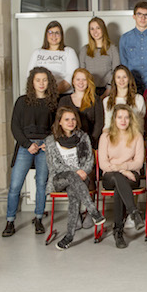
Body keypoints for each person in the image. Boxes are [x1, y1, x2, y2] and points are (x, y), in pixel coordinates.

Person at [2, 67, 58, 238]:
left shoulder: (53, 102)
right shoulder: (22, 101)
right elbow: (15, 126)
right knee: (15, 185)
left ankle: (39, 218)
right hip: (25, 146)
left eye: (44, 80)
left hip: (44, 147)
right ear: (32, 82)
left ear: (49, 82)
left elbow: (56, 127)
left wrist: (48, 143)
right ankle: (10, 221)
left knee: (41, 184)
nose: (41, 83)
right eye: (37, 80)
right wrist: (27, 144)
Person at [45, 106, 106, 250]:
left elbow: (89, 160)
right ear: (59, 122)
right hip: (59, 179)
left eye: (73, 119)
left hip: (80, 178)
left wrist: (83, 171)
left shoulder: (83, 137)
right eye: (66, 119)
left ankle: (69, 236)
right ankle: (93, 211)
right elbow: (54, 165)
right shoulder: (51, 140)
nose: (70, 122)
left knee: (73, 193)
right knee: (72, 176)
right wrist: (76, 171)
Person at [98, 104, 145, 248]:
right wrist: (122, 170)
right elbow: (103, 164)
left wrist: (121, 168)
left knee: (120, 186)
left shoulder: (137, 136)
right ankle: (133, 211)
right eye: (120, 117)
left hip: (131, 176)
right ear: (114, 119)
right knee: (118, 178)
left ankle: (118, 230)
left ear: (131, 119)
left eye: (126, 117)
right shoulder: (105, 136)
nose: (123, 121)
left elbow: (139, 163)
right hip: (110, 176)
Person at [27, 20, 79, 94]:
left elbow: (72, 76)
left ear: (61, 35)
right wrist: (42, 94)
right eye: (50, 32)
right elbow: (30, 75)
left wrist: (53, 93)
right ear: (46, 35)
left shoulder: (69, 51)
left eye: (57, 33)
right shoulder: (37, 52)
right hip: (40, 95)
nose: (54, 36)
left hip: (62, 94)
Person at [58, 68, 104, 149]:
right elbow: (59, 122)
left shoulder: (96, 100)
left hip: (91, 143)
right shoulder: (64, 100)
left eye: (84, 79)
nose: (81, 82)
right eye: (78, 79)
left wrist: (88, 142)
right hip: (68, 144)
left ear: (88, 82)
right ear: (73, 81)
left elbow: (99, 124)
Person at [78, 17, 120, 97]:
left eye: (98, 28)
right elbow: (82, 73)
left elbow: (116, 71)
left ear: (103, 29)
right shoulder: (84, 50)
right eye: (92, 29)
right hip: (89, 91)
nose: (95, 31)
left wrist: (108, 91)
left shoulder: (112, 48)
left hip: (108, 90)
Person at [102, 65, 146, 131]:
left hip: (133, 134)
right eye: (118, 77)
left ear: (129, 79)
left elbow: (140, 123)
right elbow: (107, 124)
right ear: (114, 80)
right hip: (113, 135)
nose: (121, 80)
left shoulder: (138, 99)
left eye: (124, 77)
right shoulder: (107, 100)